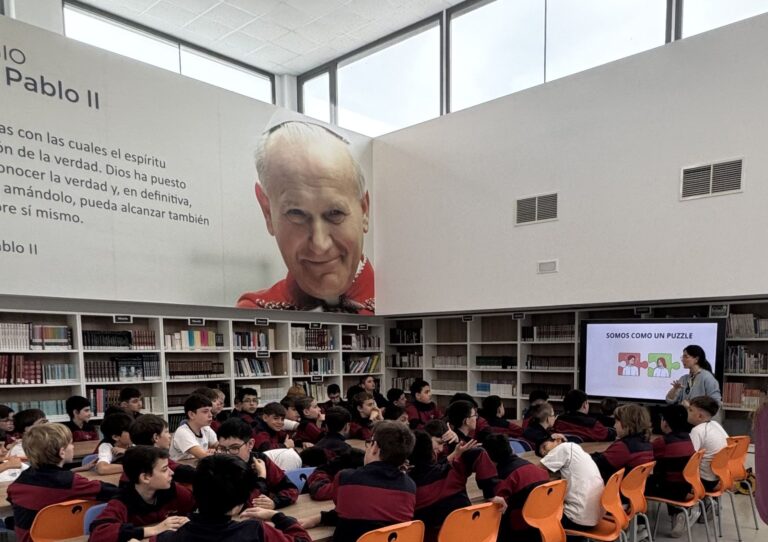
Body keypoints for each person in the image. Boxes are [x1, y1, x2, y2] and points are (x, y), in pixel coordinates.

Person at [236, 120, 374, 314]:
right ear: (267, 212)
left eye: (335, 213)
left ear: (364, 210)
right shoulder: (255, 313)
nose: (319, 245)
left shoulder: (405, 303)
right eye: (296, 214)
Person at [155, 454, 311, 542]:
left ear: (194, 491)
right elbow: (302, 540)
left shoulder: (170, 537)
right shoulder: (256, 531)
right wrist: (277, 516)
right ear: (239, 505)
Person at [7, 424, 120, 542]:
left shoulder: (16, 485)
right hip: (72, 538)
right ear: (62, 452)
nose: (73, 446)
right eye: (71, 443)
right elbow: (112, 492)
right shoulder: (71, 482)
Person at [326, 421, 417, 542]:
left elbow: (342, 509)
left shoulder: (345, 478)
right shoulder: (410, 487)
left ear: (375, 447)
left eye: (369, 442)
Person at [407, 430, 500, 541]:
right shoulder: (453, 472)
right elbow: (478, 453)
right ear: (433, 453)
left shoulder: (407, 490)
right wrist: (491, 494)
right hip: (472, 536)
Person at [88, 447, 194, 541]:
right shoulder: (122, 501)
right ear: (145, 478)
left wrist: (191, 519)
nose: (172, 472)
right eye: (165, 469)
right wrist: (154, 529)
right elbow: (98, 534)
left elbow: (201, 509)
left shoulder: (173, 490)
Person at [215, 418, 299, 509]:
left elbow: (291, 490)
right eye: (222, 449)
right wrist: (261, 477)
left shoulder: (260, 460)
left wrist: (274, 502)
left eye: (235, 448)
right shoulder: (215, 465)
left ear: (250, 444)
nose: (227, 454)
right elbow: (241, 506)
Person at [484, 434, 549, 542]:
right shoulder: (536, 469)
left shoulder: (505, 478)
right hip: (541, 524)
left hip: (518, 529)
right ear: (511, 449)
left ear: (489, 457)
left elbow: (495, 507)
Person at [646, 404, 698, 538]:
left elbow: (645, 455)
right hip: (686, 486)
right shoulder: (689, 439)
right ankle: (678, 513)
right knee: (668, 474)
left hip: (670, 489)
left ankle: (640, 525)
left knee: (637, 484)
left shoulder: (662, 442)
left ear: (666, 423)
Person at [538, 435, 605, 533]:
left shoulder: (564, 448)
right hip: (596, 516)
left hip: (578, 519)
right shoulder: (576, 448)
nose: (545, 453)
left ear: (558, 440)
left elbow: (536, 471)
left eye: (544, 447)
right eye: (542, 454)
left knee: (537, 515)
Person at [590, 404, 654, 483]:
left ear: (627, 423)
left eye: (616, 421)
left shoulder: (624, 447)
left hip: (612, 489)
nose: (614, 425)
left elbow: (596, 463)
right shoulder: (647, 444)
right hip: (632, 490)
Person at [129, 414, 195, 485]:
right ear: (156, 437)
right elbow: (187, 472)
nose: (170, 436)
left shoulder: (133, 457)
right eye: (166, 432)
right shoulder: (157, 459)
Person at [687, 396, 728, 492]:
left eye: (690, 410)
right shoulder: (716, 425)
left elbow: (690, 459)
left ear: (700, 416)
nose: (687, 412)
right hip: (718, 478)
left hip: (703, 482)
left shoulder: (697, 431)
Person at [666, 345, 722, 416]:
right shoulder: (684, 378)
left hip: (700, 421)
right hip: (684, 419)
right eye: (682, 357)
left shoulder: (707, 377)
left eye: (686, 357)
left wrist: (690, 407)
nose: (682, 359)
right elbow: (670, 401)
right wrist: (674, 389)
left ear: (696, 359)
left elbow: (715, 403)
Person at [169, 394, 218, 461]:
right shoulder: (182, 432)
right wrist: (215, 452)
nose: (210, 415)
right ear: (191, 414)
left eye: (210, 411)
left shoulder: (205, 428)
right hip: (181, 469)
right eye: (205, 412)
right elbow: (203, 456)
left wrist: (216, 450)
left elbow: (221, 447)